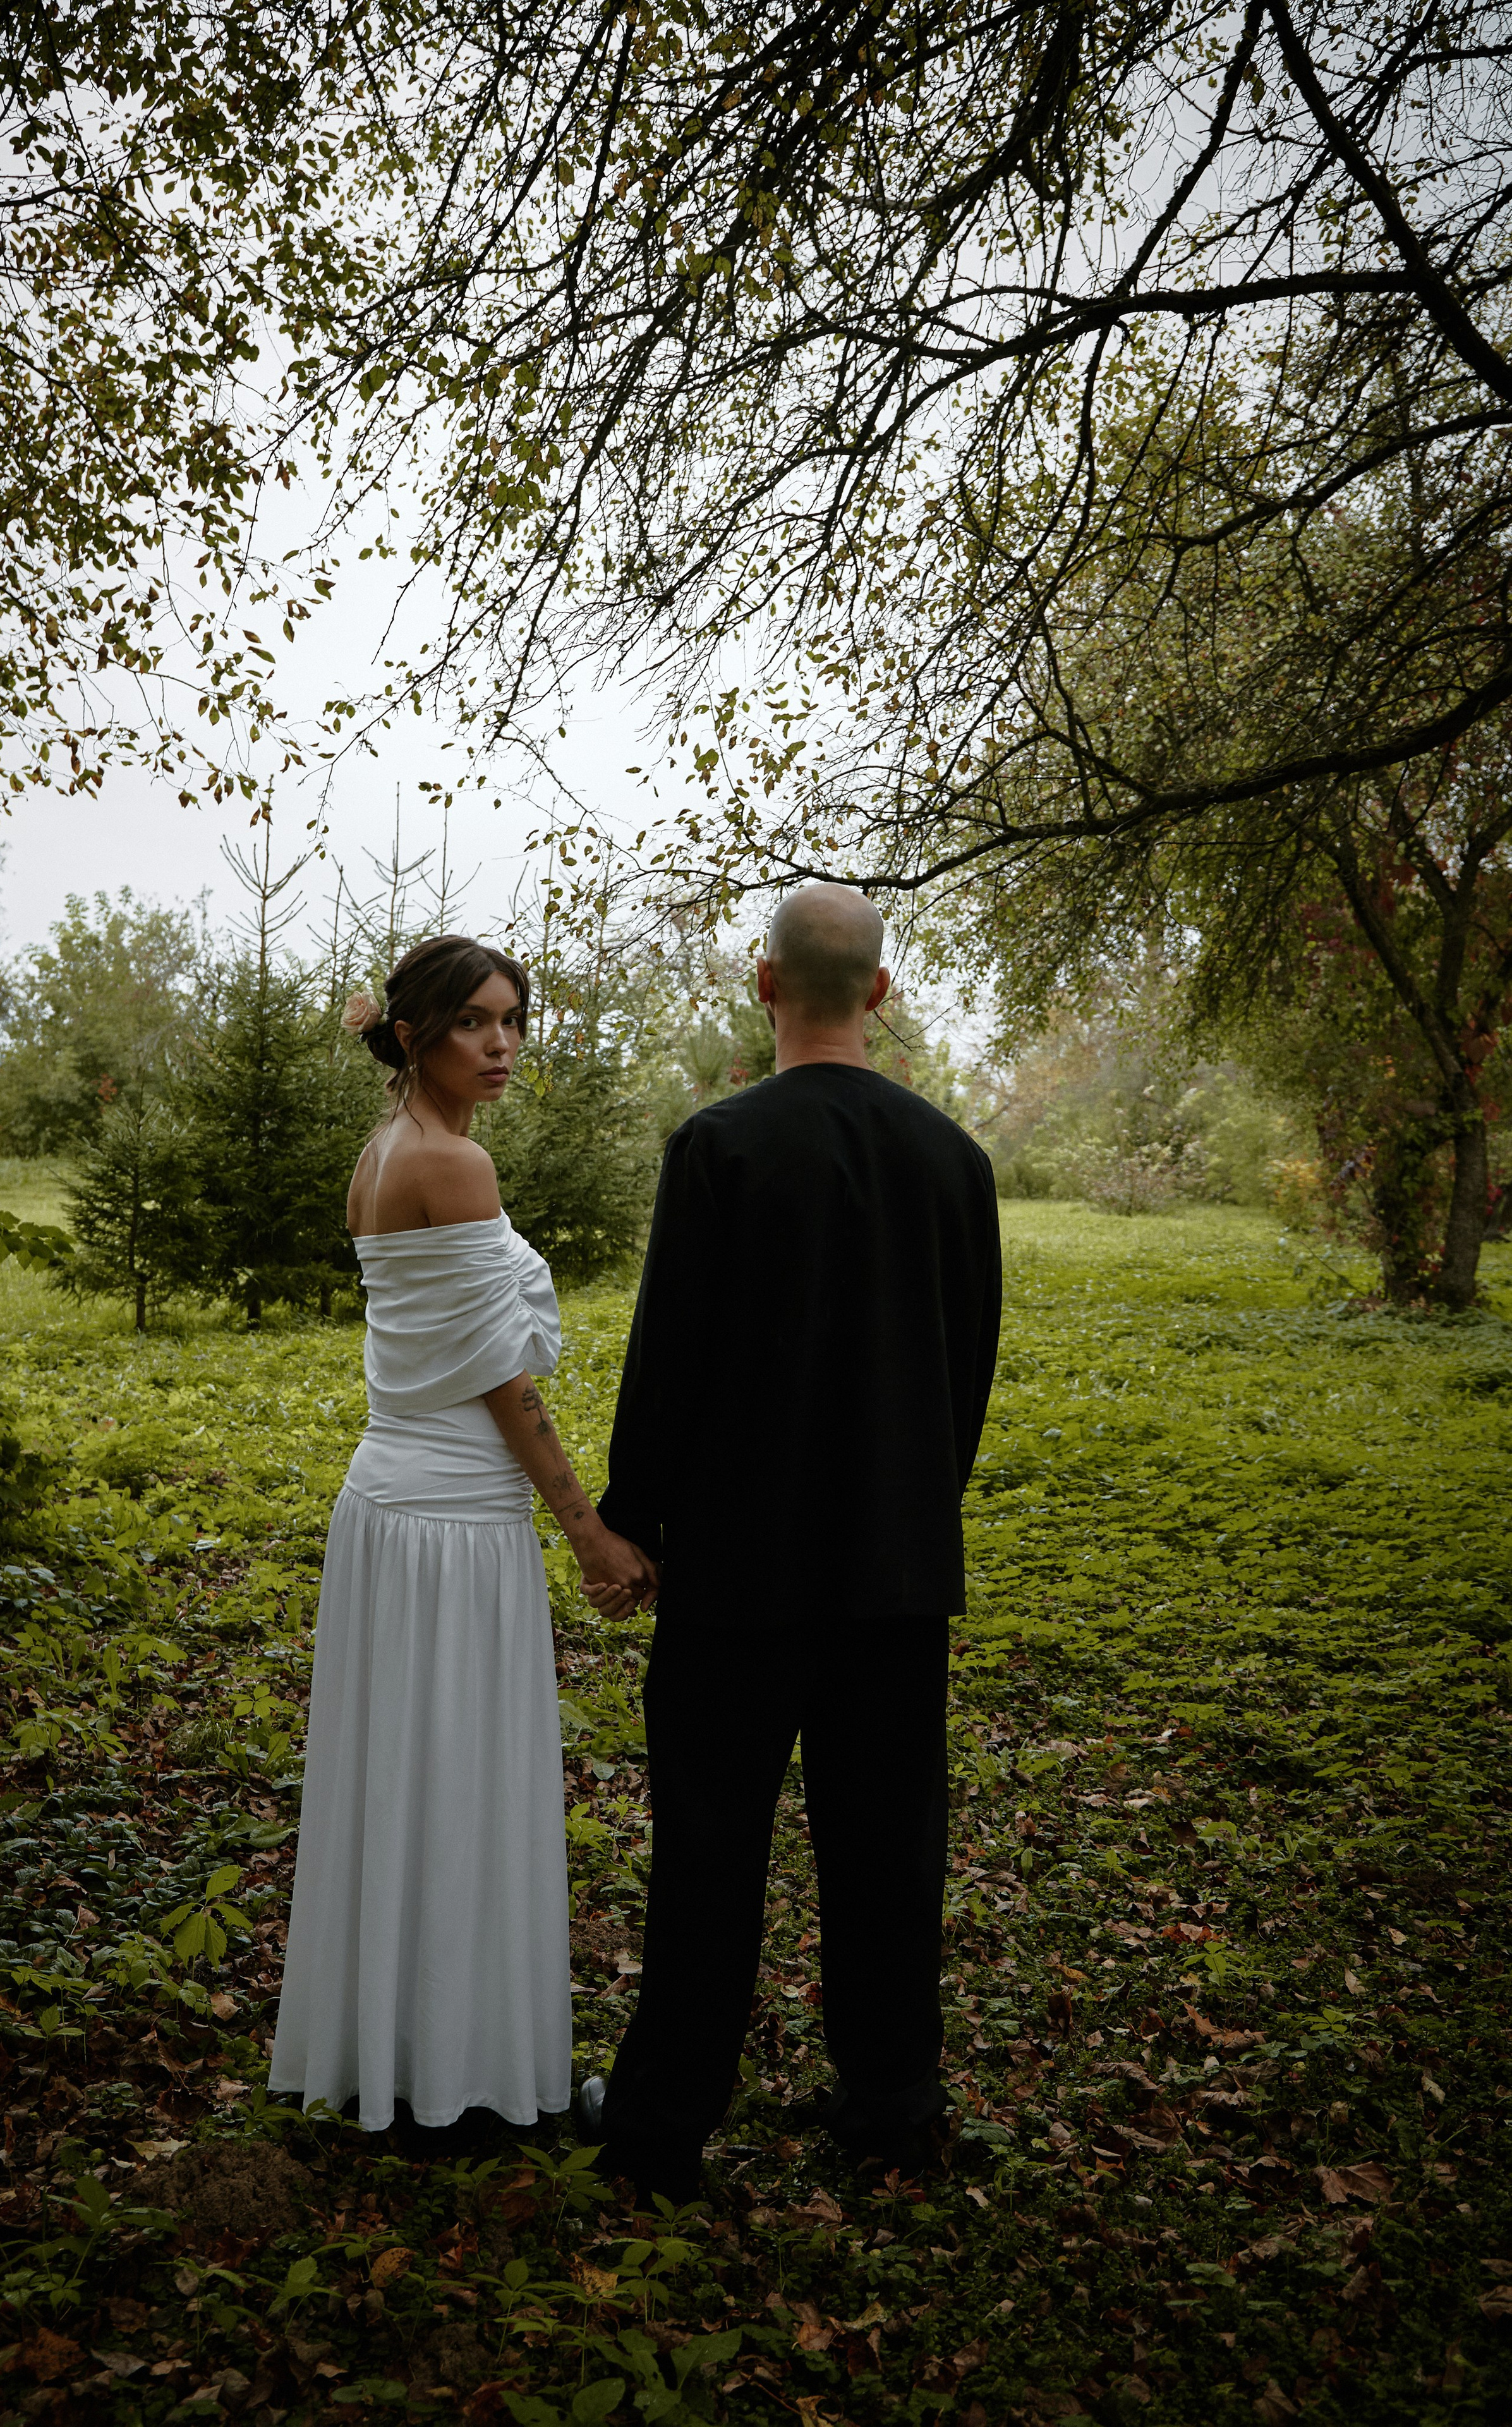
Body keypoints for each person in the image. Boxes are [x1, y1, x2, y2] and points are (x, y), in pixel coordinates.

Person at [576, 884, 1001, 2196]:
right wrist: (920, 1506)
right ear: (876, 992)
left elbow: (671, 1361)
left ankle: (657, 2128)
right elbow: (964, 1369)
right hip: (893, 1567)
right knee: (886, 1847)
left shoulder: (721, 1147)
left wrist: (631, 1516)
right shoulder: (953, 1159)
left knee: (709, 1844)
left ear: (763, 984)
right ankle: (889, 2106)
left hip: (737, 1577)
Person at [269, 936, 656, 2137]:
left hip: (391, 1498)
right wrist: (589, 1530)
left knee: (411, 1776)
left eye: (513, 1021)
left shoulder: (388, 1152)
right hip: (448, 1518)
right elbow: (503, 1383)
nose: (500, 1045)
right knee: (454, 1776)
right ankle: (458, 2080)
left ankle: (408, 2053)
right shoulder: (449, 1167)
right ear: (414, 1034)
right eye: (474, 1024)